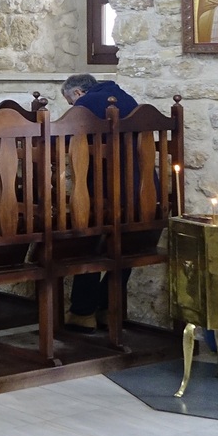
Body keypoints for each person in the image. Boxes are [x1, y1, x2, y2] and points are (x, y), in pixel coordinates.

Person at [61, 73, 139, 331]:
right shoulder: (127, 99)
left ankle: (83, 313)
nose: (73, 108)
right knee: (125, 248)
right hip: (142, 192)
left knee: (87, 242)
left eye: (70, 103)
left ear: (77, 94)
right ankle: (107, 309)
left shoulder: (85, 104)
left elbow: (58, 137)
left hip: (106, 192)